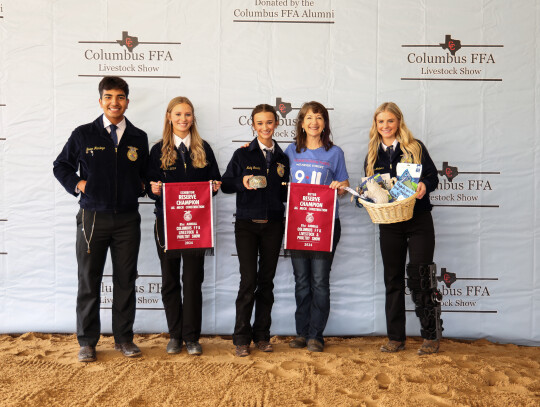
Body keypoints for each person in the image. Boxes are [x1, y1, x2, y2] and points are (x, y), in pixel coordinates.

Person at [53, 76, 149, 362]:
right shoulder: (84, 134)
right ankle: (87, 341)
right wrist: (78, 184)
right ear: (100, 101)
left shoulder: (138, 136)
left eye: (120, 97)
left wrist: (143, 186)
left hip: (128, 219)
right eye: (108, 97)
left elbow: (145, 173)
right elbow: (61, 165)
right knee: (88, 280)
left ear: (127, 102)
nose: (114, 102)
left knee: (125, 281)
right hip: (92, 218)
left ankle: (124, 339)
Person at [364, 102, 442, 355]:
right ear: (376, 125)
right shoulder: (372, 154)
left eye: (390, 121)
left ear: (399, 122)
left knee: (422, 277)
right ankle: (395, 338)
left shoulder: (415, 147)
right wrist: (362, 196)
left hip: (418, 220)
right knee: (393, 280)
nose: (385, 126)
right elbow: (370, 189)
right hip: (390, 224)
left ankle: (431, 336)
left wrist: (424, 186)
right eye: (380, 122)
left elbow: (432, 177)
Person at [147, 97, 221, 356]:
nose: (183, 119)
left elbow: (215, 182)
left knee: (192, 280)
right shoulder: (157, 150)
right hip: (166, 224)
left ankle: (191, 337)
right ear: (169, 116)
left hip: (195, 226)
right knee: (170, 281)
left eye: (187, 114)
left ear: (193, 118)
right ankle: (175, 336)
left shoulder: (204, 148)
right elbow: (148, 187)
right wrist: (153, 189)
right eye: (178, 114)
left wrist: (213, 187)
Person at [221, 104, 290, 357]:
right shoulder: (242, 155)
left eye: (269, 122)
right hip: (247, 226)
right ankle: (241, 338)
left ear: (276, 125)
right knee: (248, 281)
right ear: (253, 125)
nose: (265, 127)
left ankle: (262, 336)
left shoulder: (283, 158)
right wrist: (243, 182)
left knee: (266, 282)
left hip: (273, 225)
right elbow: (225, 184)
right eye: (259, 123)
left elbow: (287, 192)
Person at [284, 101, 349, 352]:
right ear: (301, 123)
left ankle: (316, 335)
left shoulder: (335, 153)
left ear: (325, 124)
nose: (314, 122)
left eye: (319, 117)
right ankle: (301, 333)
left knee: (320, 281)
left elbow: (343, 185)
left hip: (326, 226)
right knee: (301, 280)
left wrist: (339, 186)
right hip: (298, 226)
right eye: (309, 117)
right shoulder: (290, 151)